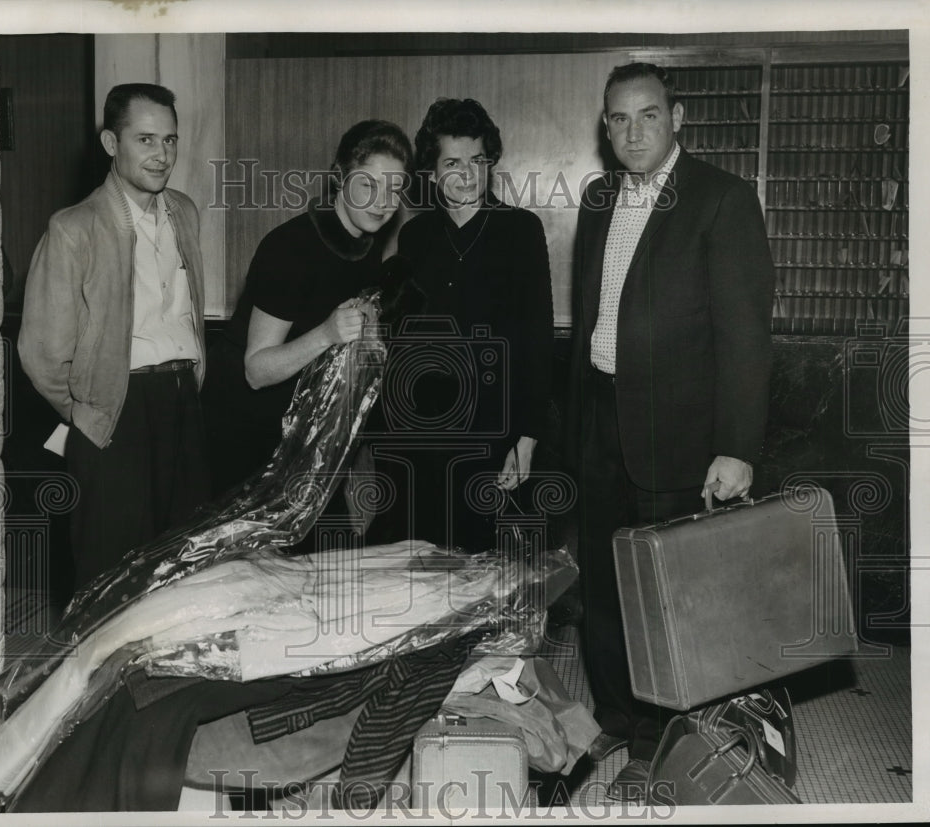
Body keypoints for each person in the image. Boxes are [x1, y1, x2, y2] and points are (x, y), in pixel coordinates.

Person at [565, 62, 775, 800]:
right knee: (603, 587)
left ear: (677, 117)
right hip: (598, 419)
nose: (632, 132)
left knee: (668, 599)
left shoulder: (722, 200)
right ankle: (618, 716)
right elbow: (588, 318)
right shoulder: (597, 199)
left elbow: (746, 335)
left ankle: (661, 743)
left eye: (648, 115)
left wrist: (738, 445)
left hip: (682, 434)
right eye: (617, 119)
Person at [18, 83, 210, 592]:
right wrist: (89, 413)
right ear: (110, 143)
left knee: (182, 566)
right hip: (114, 415)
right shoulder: (73, 228)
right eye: (146, 140)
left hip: (182, 405)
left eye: (169, 140)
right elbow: (40, 353)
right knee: (111, 577)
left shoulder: (185, 212)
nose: (162, 154)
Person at [369, 98, 553, 551]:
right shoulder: (415, 236)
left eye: (478, 161)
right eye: (453, 162)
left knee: (482, 571)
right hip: (420, 434)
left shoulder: (520, 231)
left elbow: (536, 339)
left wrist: (527, 437)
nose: (468, 174)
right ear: (431, 172)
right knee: (418, 560)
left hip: (494, 434)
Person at [202, 120, 412, 495]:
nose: (382, 202)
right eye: (369, 184)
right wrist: (327, 333)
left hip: (302, 428)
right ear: (340, 177)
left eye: (394, 188)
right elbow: (256, 370)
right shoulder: (289, 249)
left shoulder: (367, 245)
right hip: (244, 428)